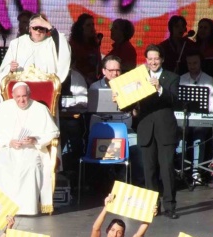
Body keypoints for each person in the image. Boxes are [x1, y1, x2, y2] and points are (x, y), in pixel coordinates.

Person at [0, 82, 59, 215]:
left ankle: (26, 209)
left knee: (30, 167)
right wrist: (9, 141)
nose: (21, 100)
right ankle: (1, 207)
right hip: (7, 148)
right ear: (12, 95)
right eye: (18, 96)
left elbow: (53, 133)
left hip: (32, 149)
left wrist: (35, 140)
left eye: (24, 96)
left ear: (29, 95)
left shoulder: (40, 109)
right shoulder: (4, 107)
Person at [135, 44, 180, 219]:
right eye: (150, 59)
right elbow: (132, 102)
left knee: (167, 169)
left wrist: (160, 88)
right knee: (149, 169)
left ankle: (170, 207)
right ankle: (152, 206)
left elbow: (174, 100)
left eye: (156, 58)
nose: (153, 62)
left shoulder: (172, 77)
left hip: (165, 128)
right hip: (146, 127)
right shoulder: (139, 77)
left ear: (162, 59)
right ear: (146, 60)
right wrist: (119, 99)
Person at [89, 55, 143, 186]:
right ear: (104, 71)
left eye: (118, 70)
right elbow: (93, 113)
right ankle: (101, 184)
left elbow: (136, 114)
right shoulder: (95, 87)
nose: (115, 73)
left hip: (126, 131)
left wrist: (133, 103)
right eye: (111, 70)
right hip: (103, 132)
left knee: (139, 148)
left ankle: (135, 185)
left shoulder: (129, 87)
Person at [0, 14, 71, 89]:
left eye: (41, 28)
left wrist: (49, 26)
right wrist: (10, 69)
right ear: (29, 29)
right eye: (35, 28)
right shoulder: (17, 43)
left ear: (46, 29)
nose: (38, 30)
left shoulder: (52, 42)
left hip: (45, 88)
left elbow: (64, 48)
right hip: (22, 89)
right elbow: (3, 72)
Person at [179, 51, 213, 185]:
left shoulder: (209, 80)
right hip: (185, 120)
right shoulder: (182, 79)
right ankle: (181, 169)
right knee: (180, 139)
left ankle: (196, 172)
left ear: (200, 63)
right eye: (189, 63)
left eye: (195, 63)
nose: (192, 66)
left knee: (198, 137)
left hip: (201, 120)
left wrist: (209, 111)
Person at [69, 13, 101, 86]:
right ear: (80, 28)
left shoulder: (94, 44)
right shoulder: (73, 45)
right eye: (88, 25)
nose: (92, 28)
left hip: (93, 82)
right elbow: (72, 66)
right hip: (79, 82)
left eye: (93, 25)